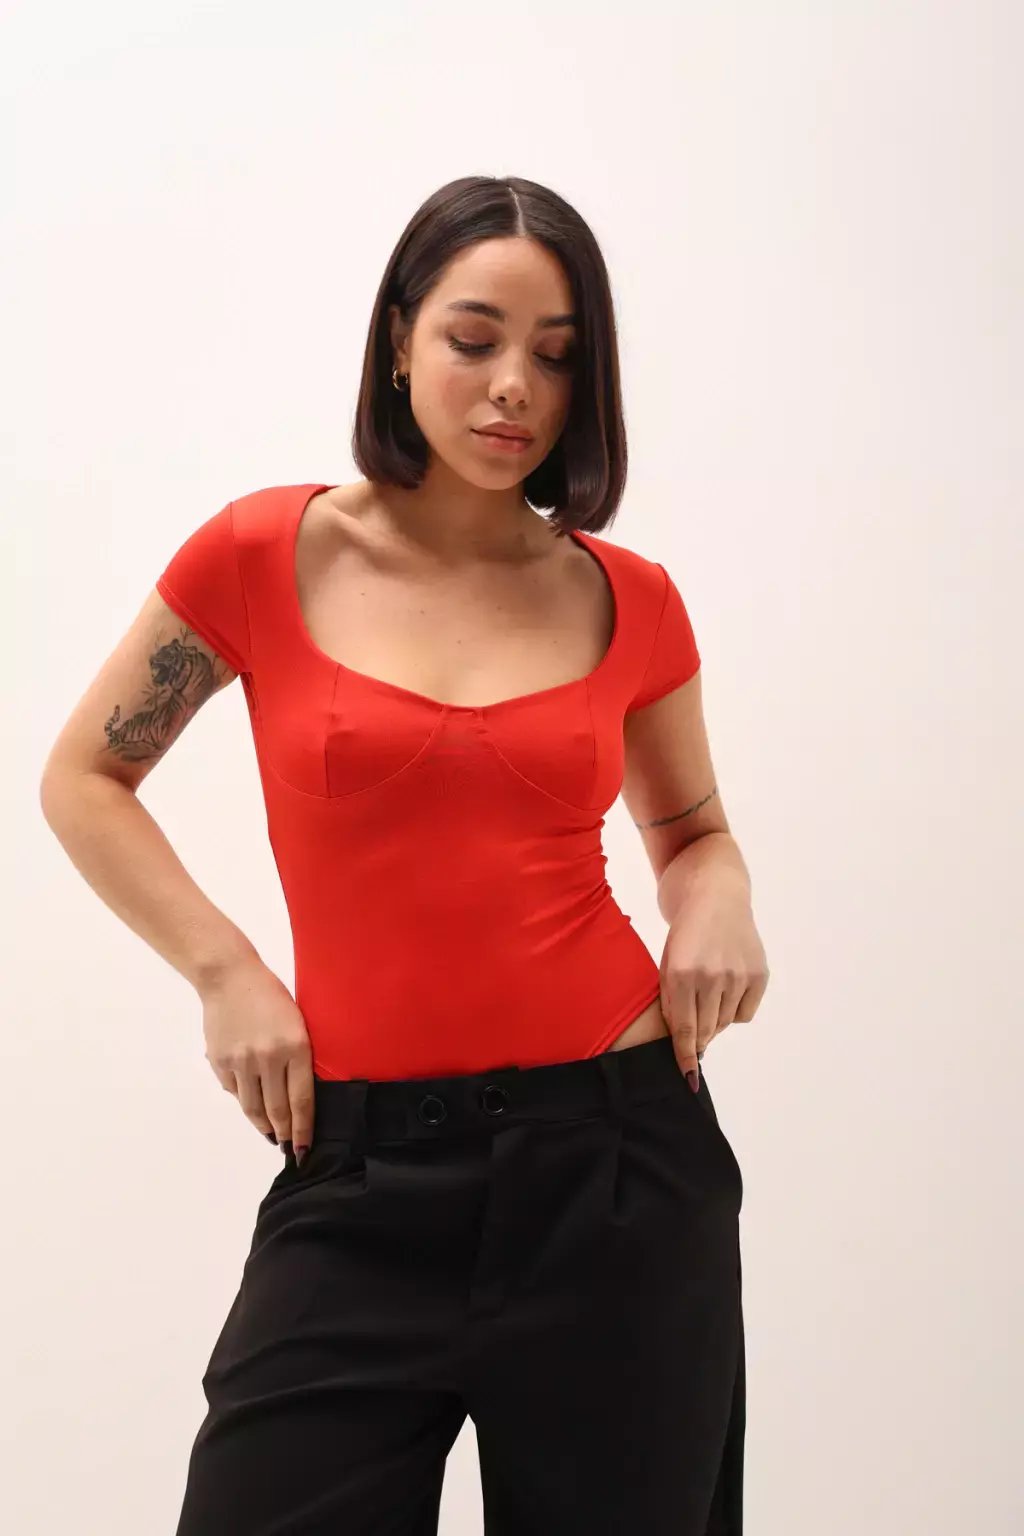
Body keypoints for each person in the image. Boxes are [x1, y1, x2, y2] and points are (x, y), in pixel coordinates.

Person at [39, 174, 769, 1535]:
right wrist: (227, 973)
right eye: (474, 339)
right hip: (361, 1173)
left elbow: (691, 832)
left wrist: (718, 899)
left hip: (617, 1164)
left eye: (557, 355)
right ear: (398, 338)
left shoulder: (629, 599)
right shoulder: (264, 553)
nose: (515, 388)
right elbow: (85, 776)